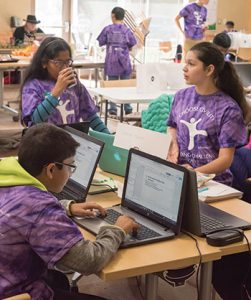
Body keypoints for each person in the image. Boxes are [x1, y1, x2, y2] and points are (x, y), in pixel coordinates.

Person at [0, 123, 138, 299]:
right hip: (16, 293)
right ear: (51, 169)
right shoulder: (40, 208)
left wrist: (66, 207)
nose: (70, 173)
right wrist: (117, 230)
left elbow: (21, 213)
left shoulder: (6, 174)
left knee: (58, 279)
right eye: (70, 167)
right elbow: (89, 260)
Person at [167, 42, 248, 186]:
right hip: (179, 176)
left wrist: (192, 175)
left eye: (191, 64)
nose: (185, 68)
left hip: (213, 183)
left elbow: (225, 160)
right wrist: (173, 145)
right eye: (186, 63)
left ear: (209, 69)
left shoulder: (228, 109)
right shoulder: (181, 96)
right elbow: (172, 126)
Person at [21, 37, 109, 133]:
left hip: (69, 142)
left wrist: (109, 137)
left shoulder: (73, 84)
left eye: (67, 62)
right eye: (58, 63)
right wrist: (56, 92)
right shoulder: (33, 85)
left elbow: (90, 115)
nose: (65, 67)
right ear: (44, 62)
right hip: (44, 143)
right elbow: (35, 121)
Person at [97, 7, 137, 116]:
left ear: (113, 16)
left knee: (112, 87)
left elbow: (100, 42)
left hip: (112, 62)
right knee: (126, 86)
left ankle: (113, 108)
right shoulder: (127, 30)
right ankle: (127, 107)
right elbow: (132, 45)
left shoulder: (107, 29)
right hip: (124, 62)